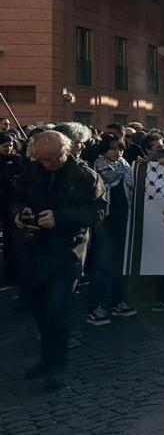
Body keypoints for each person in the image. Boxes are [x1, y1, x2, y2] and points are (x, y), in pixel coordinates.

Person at [11, 131, 107, 390]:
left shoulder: (86, 177)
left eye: (54, 158)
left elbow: (98, 211)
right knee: (38, 308)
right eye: (43, 159)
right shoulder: (32, 171)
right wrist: (20, 214)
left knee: (57, 310)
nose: (49, 164)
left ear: (68, 151)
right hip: (33, 251)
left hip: (67, 253)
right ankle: (46, 358)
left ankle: (57, 366)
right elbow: (14, 198)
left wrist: (60, 218)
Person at [87, 134, 138, 324]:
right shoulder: (96, 169)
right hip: (103, 224)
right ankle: (96, 306)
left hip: (123, 221)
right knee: (101, 265)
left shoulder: (126, 167)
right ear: (104, 150)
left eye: (121, 148)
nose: (118, 152)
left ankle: (119, 301)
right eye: (113, 148)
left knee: (119, 264)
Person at [0, 132, 27, 286]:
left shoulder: (17, 159)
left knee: (12, 239)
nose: (8, 148)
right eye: (4, 146)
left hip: (11, 203)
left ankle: (12, 271)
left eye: (10, 145)